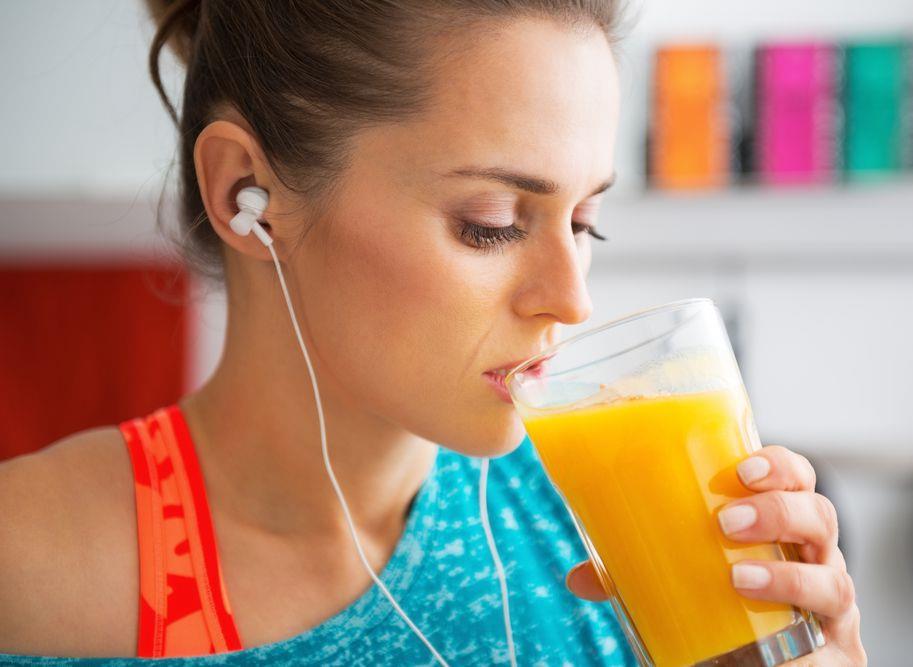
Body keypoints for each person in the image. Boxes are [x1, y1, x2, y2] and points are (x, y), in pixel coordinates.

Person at [0, 1, 866, 665]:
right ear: (244, 193)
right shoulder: (29, 569)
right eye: (491, 224)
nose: (573, 301)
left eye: (584, 223)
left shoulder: (608, 526)